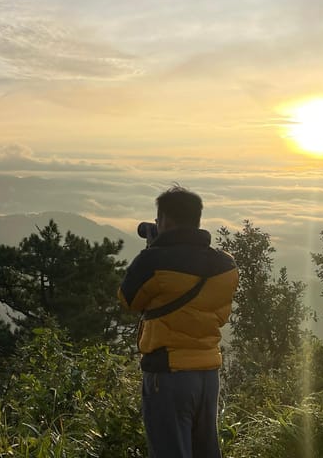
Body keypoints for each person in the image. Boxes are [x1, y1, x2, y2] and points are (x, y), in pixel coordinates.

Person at [118, 186, 238, 458]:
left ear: (166, 221)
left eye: (158, 220)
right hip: (208, 374)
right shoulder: (225, 266)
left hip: (168, 374)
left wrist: (151, 250)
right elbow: (220, 313)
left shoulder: (154, 261)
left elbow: (129, 300)